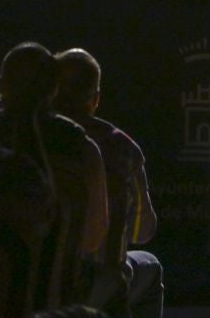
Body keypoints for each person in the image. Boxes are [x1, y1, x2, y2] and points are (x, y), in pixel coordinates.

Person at [54, 48, 163, 318]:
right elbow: (142, 232)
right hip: (98, 285)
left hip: (46, 283)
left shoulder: (31, 137)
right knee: (149, 266)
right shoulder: (123, 148)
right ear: (96, 99)